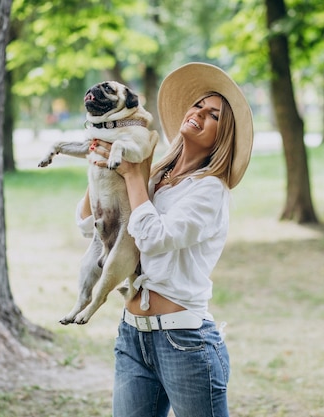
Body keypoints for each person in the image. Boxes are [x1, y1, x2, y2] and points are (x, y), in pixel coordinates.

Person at [77, 62, 254, 417]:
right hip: (132, 336)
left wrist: (130, 177)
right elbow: (89, 227)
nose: (200, 114)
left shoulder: (209, 191)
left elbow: (154, 238)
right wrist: (101, 170)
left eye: (214, 115)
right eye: (198, 105)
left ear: (224, 135)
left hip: (184, 342)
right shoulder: (156, 176)